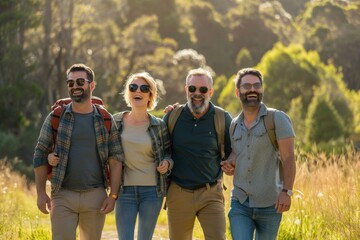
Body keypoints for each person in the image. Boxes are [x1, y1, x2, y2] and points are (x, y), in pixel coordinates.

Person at [33, 63, 122, 240]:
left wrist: (112, 195)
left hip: (95, 196)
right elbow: (40, 154)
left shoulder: (105, 118)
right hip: (62, 195)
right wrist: (41, 193)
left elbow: (116, 159)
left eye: (80, 82)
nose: (75, 87)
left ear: (92, 85)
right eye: (71, 83)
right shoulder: (56, 117)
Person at [221, 67, 296, 240]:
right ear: (237, 92)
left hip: (270, 203)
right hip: (240, 202)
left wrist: (287, 191)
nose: (252, 89)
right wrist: (230, 164)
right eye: (246, 86)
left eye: (256, 85)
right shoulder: (234, 124)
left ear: (262, 89)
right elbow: (236, 153)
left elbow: (289, 158)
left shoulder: (277, 118)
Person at [163, 68, 232, 240]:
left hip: (211, 193)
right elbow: (161, 150)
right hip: (178, 193)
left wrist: (231, 162)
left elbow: (234, 151)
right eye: (192, 89)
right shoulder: (172, 116)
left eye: (203, 89)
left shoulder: (222, 117)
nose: (197, 93)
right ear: (186, 89)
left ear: (210, 91)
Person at [113, 72, 173, 240]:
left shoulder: (159, 125)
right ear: (128, 93)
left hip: (152, 192)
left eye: (143, 88)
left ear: (150, 95)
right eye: (133, 87)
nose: (137, 91)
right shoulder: (116, 122)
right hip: (124, 191)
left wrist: (168, 163)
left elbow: (169, 153)